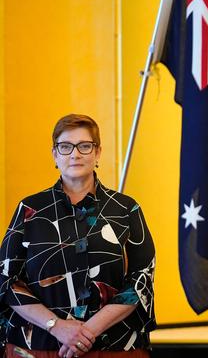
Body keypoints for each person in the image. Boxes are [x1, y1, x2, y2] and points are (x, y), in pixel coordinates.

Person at [0, 114, 156, 358]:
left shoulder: (126, 209)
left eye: (85, 146)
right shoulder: (29, 210)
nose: (75, 154)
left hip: (115, 347)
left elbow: (141, 280)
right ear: (55, 154)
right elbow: (6, 281)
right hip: (38, 346)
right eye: (65, 147)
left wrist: (88, 331)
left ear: (98, 153)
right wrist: (57, 326)